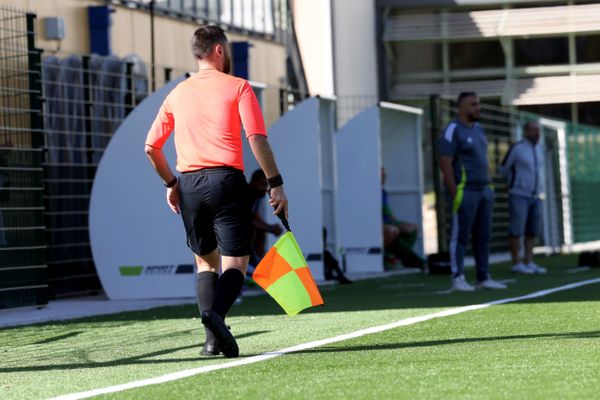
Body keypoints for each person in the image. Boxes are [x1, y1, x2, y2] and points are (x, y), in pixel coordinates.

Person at [144, 26, 288, 359]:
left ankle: (211, 341)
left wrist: (171, 184)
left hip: (190, 183)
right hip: (226, 180)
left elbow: (151, 147)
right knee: (236, 261)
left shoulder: (177, 93)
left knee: (205, 264)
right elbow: (256, 138)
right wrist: (275, 181)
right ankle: (216, 315)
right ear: (219, 51)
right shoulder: (238, 86)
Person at [438, 92, 507, 292]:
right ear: (460, 107)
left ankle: (483, 277)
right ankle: (457, 277)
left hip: (484, 190)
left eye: (478, 104)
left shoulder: (480, 129)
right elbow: (445, 162)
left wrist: (489, 185)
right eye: (472, 104)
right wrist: (455, 192)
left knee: (483, 236)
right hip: (465, 191)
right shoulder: (453, 129)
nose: (478, 107)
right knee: (460, 237)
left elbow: (483, 159)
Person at [498, 121, 547, 275]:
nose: (537, 133)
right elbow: (503, 168)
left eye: (538, 130)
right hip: (519, 195)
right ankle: (516, 263)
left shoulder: (540, 149)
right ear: (526, 132)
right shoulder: (517, 148)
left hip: (536, 195)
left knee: (532, 231)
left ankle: (529, 261)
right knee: (516, 229)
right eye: (533, 130)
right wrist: (513, 183)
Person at [381, 167, 426, 270]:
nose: (384, 174)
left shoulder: (382, 192)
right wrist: (396, 226)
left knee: (413, 228)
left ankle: (394, 257)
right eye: (381, 171)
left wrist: (397, 223)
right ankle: (414, 261)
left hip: (388, 222)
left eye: (384, 171)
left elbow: (389, 214)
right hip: (380, 225)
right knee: (393, 231)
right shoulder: (370, 193)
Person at [248, 169, 283, 266]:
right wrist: (270, 229)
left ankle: (258, 263)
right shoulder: (248, 194)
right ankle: (253, 265)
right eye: (263, 184)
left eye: (267, 186)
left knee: (261, 232)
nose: (265, 189)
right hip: (236, 230)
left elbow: (255, 217)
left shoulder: (257, 196)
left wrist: (269, 227)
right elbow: (246, 221)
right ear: (254, 182)